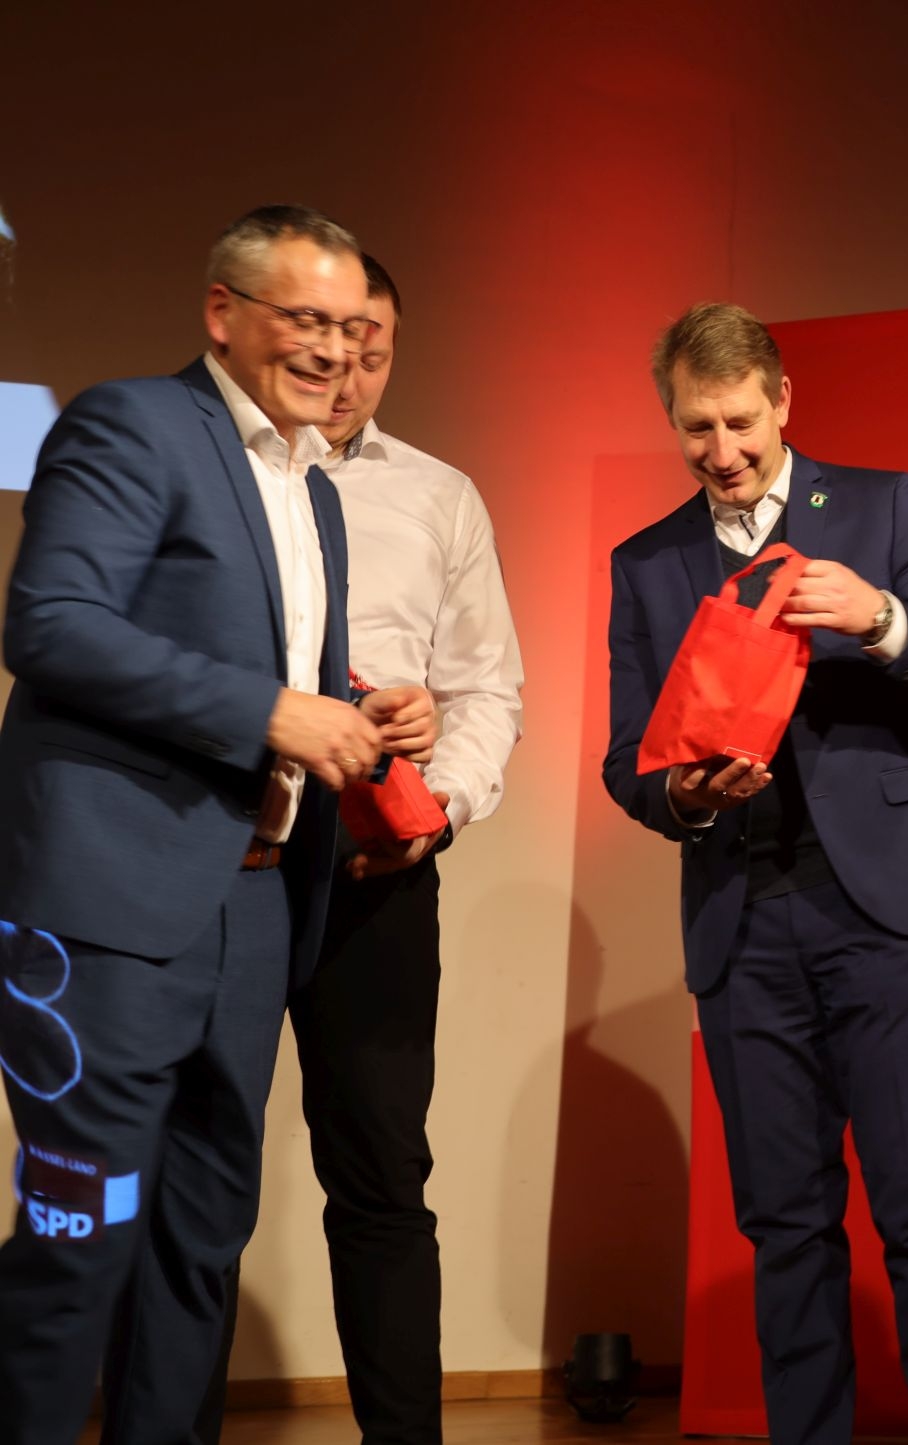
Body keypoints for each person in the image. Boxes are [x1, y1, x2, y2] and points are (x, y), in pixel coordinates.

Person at [0, 205, 435, 1445]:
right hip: (110, 910)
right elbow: (51, 625)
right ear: (223, 313)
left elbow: (271, 672)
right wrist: (271, 710)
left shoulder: (314, 489)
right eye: (306, 319)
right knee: (81, 1236)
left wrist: (359, 709)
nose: (334, 349)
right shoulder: (132, 423)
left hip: (253, 902)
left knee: (200, 1239)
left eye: (351, 326)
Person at [603, 302, 908, 1445]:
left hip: (888, 913)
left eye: (740, 421)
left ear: (783, 400)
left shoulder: (881, 506)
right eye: (697, 428)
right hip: (743, 919)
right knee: (784, 1223)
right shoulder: (646, 562)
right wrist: (687, 795)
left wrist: (882, 619)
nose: (722, 450)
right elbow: (629, 759)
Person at [191, 254, 525, 1444]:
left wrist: (441, 802)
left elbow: (487, 688)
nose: (344, 366)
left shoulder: (439, 493)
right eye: (326, 337)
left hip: (377, 869)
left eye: (371, 347)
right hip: (225, 860)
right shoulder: (209, 469)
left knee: (382, 1175)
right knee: (201, 1175)